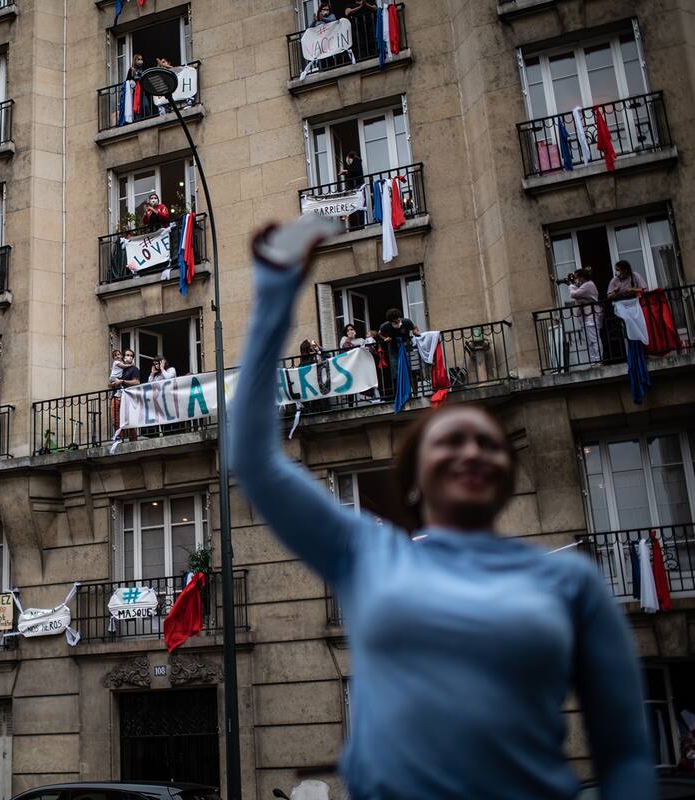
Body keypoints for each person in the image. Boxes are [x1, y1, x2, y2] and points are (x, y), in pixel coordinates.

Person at [231, 216, 656, 800]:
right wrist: (276, 291)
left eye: (487, 442)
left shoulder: (570, 581)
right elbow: (255, 460)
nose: (471, 450)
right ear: (413, 482)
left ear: (505, 476)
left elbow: (627, 753)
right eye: (449, 441)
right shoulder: (367, 554)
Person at [566, 267, 603, 363]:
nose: (576, 279)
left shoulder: (588, 285)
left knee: (594, 339)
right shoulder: (584, 285)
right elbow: (578, 292)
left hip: (591, 315)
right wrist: (573, 285)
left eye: (577, 277)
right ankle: (593, 361)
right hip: (586, 316)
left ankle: (598, 360)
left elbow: (574, 294)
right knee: (589, 341)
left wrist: (570, 285)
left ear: (582, 277)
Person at [108, 349, 140, 442]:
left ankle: (133, 440)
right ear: (123, 356)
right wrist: (113, 384)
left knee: (129, 420)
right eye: (127, 355)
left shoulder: (134, 369)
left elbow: (136, 382)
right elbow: (111, 383)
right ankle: (119, 439)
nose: (129, 357)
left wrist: (122, 381)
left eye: (131, 355)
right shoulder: (120, 368)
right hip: (116, 396)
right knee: (115, 420)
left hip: (127, 398)